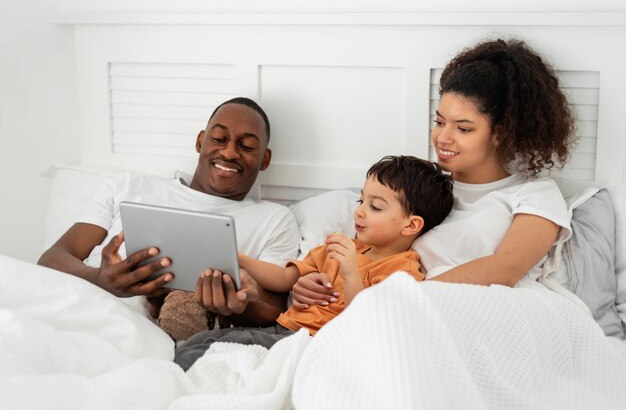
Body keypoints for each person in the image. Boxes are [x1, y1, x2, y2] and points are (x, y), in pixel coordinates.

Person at [291, 38, 577, 308]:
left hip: (476, 305)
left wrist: (403, 298)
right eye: (440, 121)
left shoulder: (534, 194)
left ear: (501, 133)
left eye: (463, 128)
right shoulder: (420, 190)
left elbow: (506, 268)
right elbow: (368, 259)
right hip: (400, 307)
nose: (442, 137)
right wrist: (312, 282)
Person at [37, 97, 302, 328]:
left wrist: (241, 304)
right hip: (78, 308)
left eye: (246, 146)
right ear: (200, 141)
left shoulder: (274, 220)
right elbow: (53, 258)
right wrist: (98, 279)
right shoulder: (129, 186)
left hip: (152, 332)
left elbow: (275, 309)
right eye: (219, 139)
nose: (230, 152)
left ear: (264, 159)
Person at [173, 155, 454, 370]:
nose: (359, 211)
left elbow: (370, 323)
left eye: (375, 206)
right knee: (198, 343)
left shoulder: (405, 270)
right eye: (360, 200)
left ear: (411, 225)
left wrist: (351, 272)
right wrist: (238, 258)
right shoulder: (341, 247)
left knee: (201, 351)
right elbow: (284, 279)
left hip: (317, 345)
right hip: (285, 330)